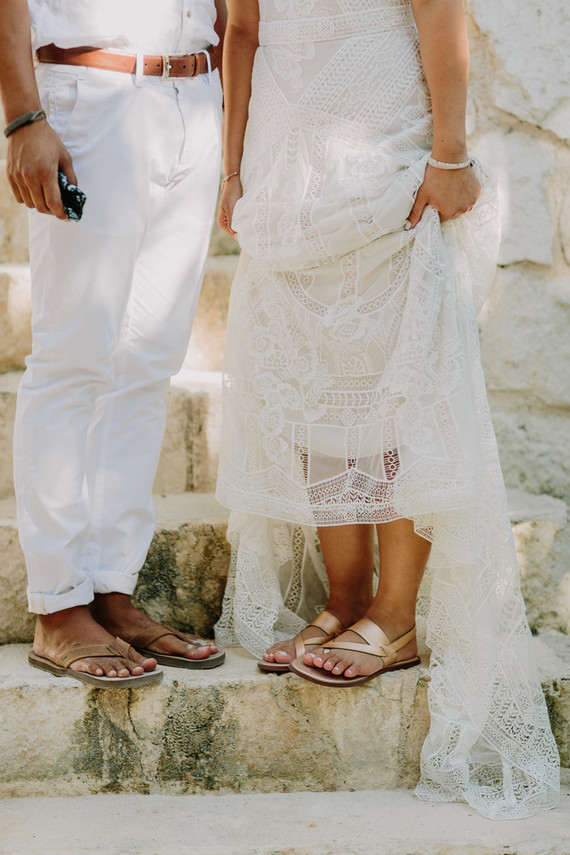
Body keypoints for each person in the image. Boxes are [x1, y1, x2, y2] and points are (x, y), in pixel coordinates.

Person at [216, 0, 559, 819]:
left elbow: (440, 9)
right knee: (312, 374)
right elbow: (241, 30)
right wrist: (231, 174)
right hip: (285, 163)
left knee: (400, 378)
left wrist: (450, 152)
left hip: (387, 147)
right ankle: (344, 595)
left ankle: (394, 616)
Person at [0, 0, 227, 688]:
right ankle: (59, 604)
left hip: (194, 95)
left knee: (148, 363)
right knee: (75, 360)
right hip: (89, 94)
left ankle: (110, 587)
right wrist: (23, 117)